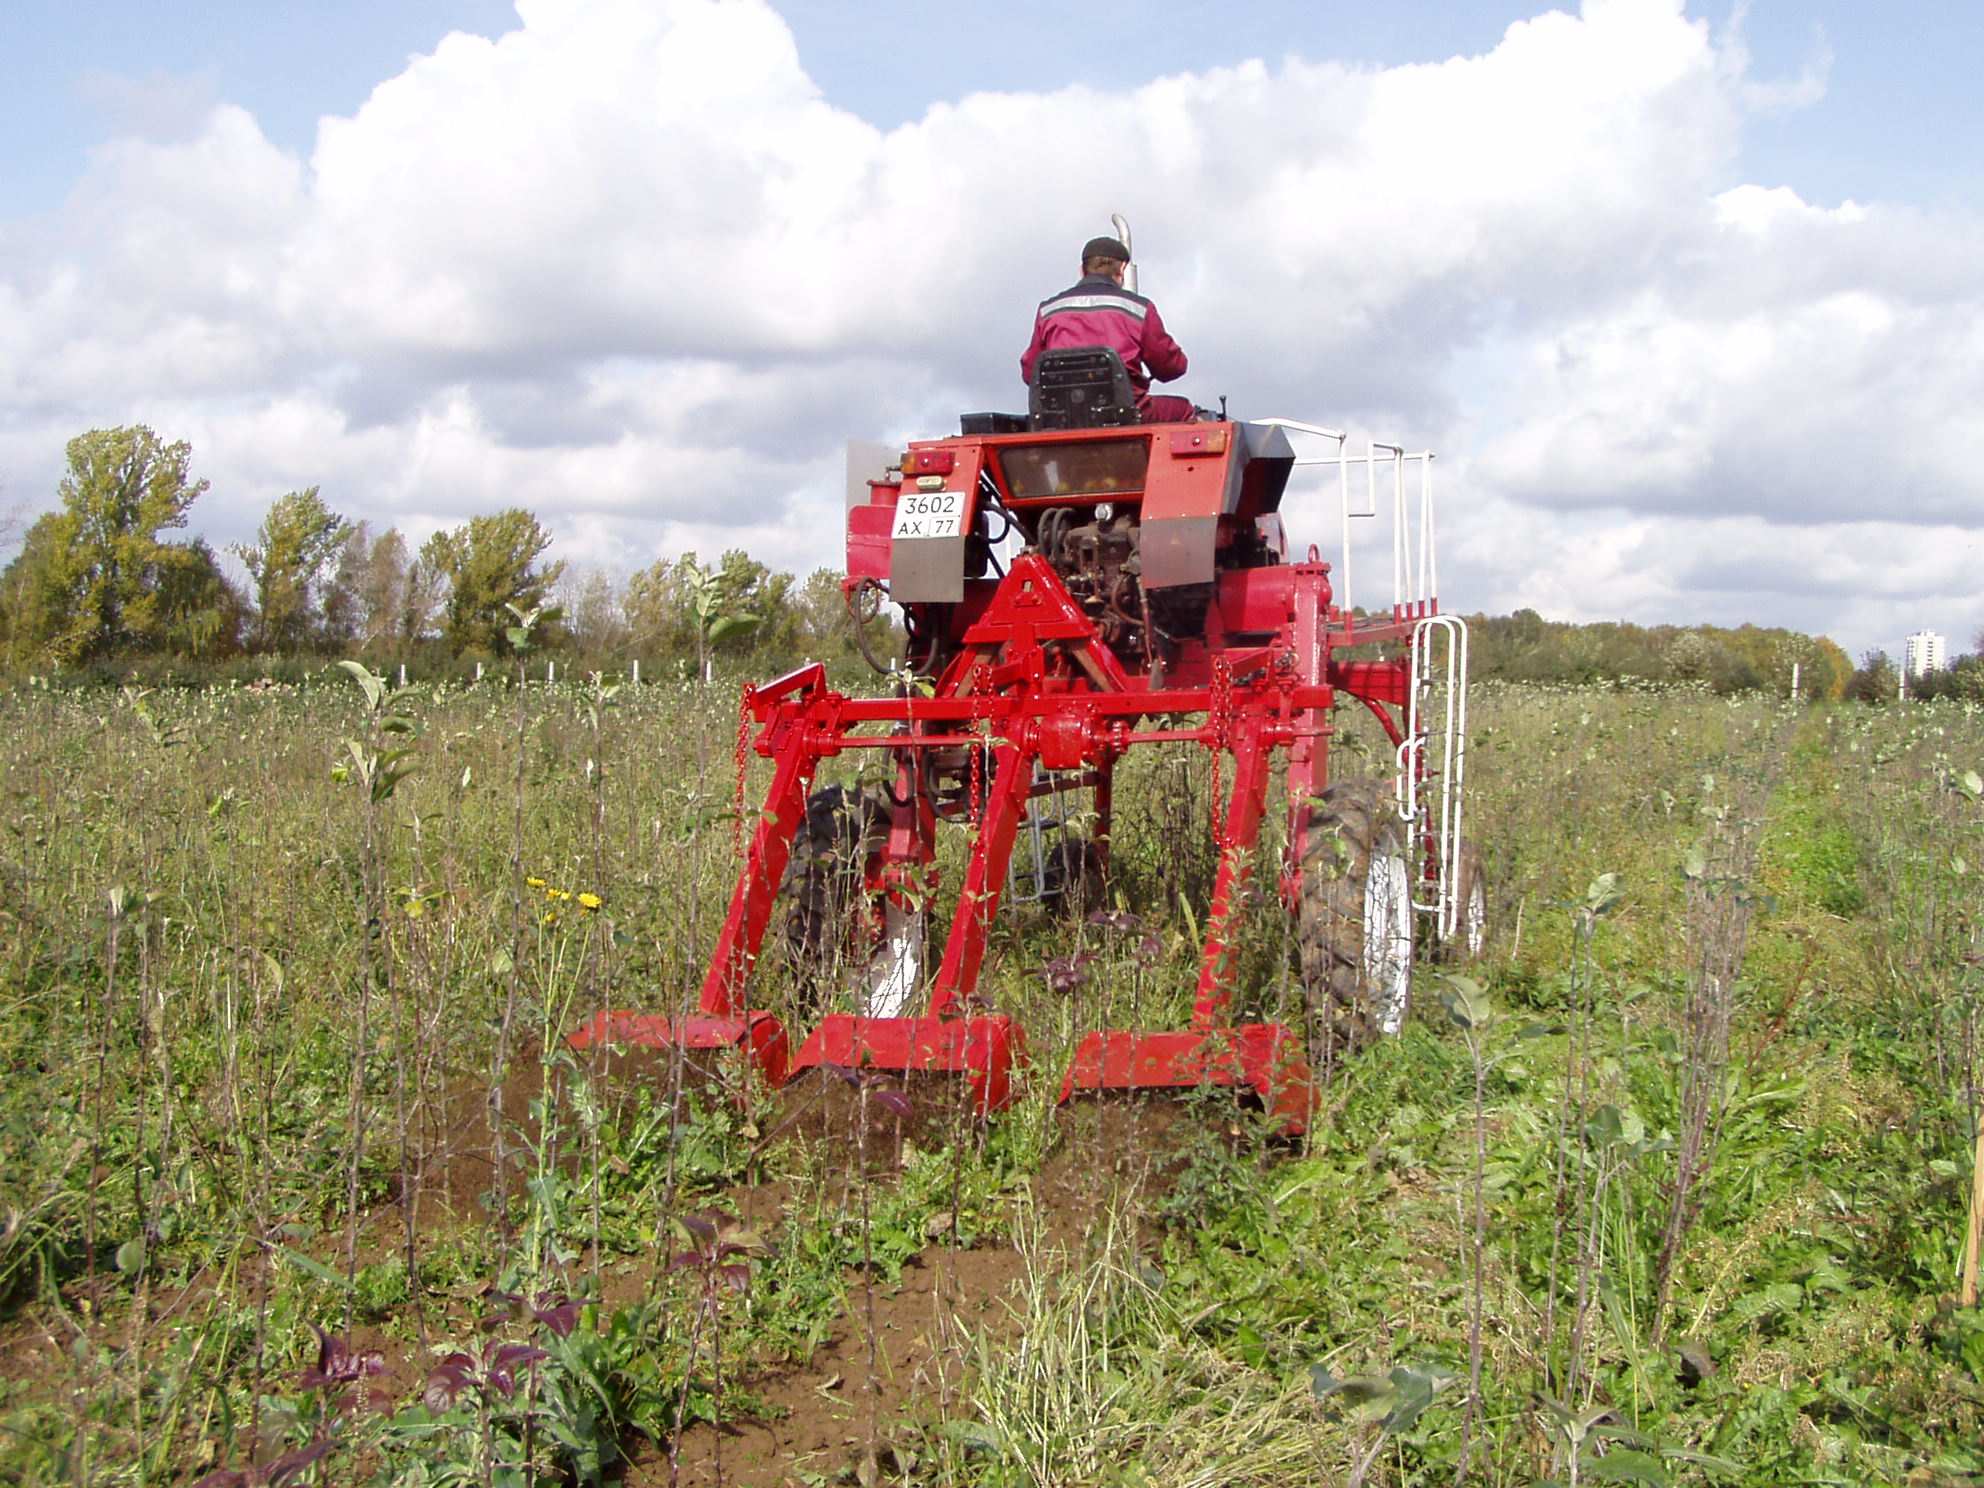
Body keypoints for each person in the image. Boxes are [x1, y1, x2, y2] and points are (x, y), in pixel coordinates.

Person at [1020, 236, 1196, 424]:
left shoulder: (1048, 311)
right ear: (1121, 269)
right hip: (1128, 413)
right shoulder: (1138, 310)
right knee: (1186, 411)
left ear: (1082, 271)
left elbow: (1031, 373)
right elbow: (1171, 367)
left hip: (1062, 416)